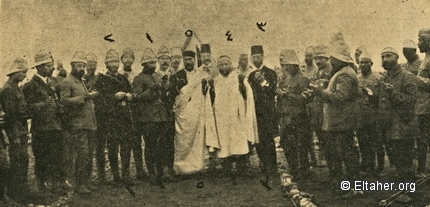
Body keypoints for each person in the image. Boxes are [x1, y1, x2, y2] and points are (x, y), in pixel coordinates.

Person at [310, 32, 361, 198]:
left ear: (340, 59)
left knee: (347, 153)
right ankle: (349, 186)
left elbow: (340, 97)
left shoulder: (345, 74)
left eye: (332, 58)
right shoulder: (342, 72)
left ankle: (354, 188)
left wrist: (320, 92)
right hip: (340, 121)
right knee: (345, 153)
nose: (330, 61)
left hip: (342, 121)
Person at [23, 50, 71, 194]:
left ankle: (56, 184)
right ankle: (42, 186)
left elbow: (55, 102)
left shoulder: (52, 82)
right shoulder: (29, 85)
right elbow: (27, 109)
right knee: (42, 159)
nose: (51, 68)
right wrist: (44, 104)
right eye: (47, 66)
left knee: (56, 157)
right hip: (41, 129)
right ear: (39, 67)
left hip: (55, 126)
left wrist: (59, 108)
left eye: (50, 65)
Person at [168, 47, 219, 175]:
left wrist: (206, 88)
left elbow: (206, 95)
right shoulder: (176, 76)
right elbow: (173, 97)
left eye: (190, 59)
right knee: (182, 141)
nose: (188, 62)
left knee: (198, 141)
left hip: (197, 114)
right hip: (183, 116)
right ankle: (182, 168)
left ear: (195, 60)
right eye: (185, 60)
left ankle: (197, 166)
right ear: (183, 61)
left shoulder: (200, 76)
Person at [378, 47, 417, 202]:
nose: (385, 59)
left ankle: (408, 193)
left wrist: (393, 93)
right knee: (394, 160)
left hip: (403, 126)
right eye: (382, 57)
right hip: (389, 126)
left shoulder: (407, 77)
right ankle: (400, 191)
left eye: (388, 56)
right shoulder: (384, 78)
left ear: (397, 57)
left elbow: (411, 101)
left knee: (405, 161)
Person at [93, 49, 136, 185]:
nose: (114, 64)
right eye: (111, 62)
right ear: (106, 64)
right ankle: (116, 176)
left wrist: (129, 96)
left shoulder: (123, 78)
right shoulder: (101, 80)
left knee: (126, 147)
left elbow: (132, 92)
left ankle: (126, 175)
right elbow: (98, 99)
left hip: (124, 118)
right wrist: (113, 97)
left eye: (116, 61)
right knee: (113, 148)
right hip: (110, 119)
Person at [60, 51, 98, 195]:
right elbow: (64, 101)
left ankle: (86, 182)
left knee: (88, 155)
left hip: (89, 124)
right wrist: (85, 97)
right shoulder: (67, 82)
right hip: (78, 125)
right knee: (82, 154)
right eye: (79, 65)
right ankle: (79, 184)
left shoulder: (81, 81)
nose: (82, 68)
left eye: (83, 65)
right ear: (72, 66)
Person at [212, 55, 258, 177]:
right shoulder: (216, 81)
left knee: (239, 142)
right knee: (225, 143)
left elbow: (247, 96)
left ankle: (242, 168)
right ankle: (226, 168)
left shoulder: (238, 78)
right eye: (221, 65)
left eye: (226, 64)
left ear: (230, 64)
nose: (224, 67)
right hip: (222, 118)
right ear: (218, 67)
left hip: (237, 117)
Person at [1, 58, 36, 204]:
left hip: (21, 130)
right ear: (15, 72)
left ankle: (23, 191)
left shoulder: (16, 87)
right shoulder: (8, 89)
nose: (24, 75)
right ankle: (15, 193)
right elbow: (11, 116)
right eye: (23, 72)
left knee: (23, 161)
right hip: (15, 132)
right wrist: (14, 136)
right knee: (17, 162)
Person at [132, 48, 169, 183]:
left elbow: (163, 95)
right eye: (151, 63)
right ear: (144, 65)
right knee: (150, 146)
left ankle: (161, 173)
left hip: (161, 116)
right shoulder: (138, 79)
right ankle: (152, 173)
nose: (154, 66)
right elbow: (136, 97)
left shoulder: (158, 77)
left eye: (154, 63)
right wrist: (150, 91)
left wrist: (165, 86)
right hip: (148, 118)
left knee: (161, 146)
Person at [277, 49, 312, 180]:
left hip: (299, 118)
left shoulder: (303, 79)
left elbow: (305, 99)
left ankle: (303, 170)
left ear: (293, 65)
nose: (285, 68)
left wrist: (287, 95)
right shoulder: (287, 78)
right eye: (284, 65)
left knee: (300, 145)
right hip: (287, 118)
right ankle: (294, 169)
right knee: (286, 144)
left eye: (287, 65)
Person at [248, 45, 278, 177]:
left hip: (267, 111)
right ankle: (263, 164)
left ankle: (273, 166)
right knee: (258, 139)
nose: (256, 59)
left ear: (263, 57)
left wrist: (263, 81)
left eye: (258, 57)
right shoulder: (250, 75)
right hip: (255, 112)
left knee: (269, 140)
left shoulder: (271, 73)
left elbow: (272, 91)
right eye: (253, 57)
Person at [355, 50, 385, 177]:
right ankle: (368, 166)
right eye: (361, 62)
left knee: (377, 142)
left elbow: (382, 97)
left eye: (366, 62)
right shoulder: (356, 78)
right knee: (363, 142)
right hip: (361, 116)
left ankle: (381, 167)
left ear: (371, 63)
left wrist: (371, 94)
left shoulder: (378, 78)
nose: (363, 65)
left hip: (375, 115)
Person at [156, 46, 177, 181]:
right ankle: (161, 170)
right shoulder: (155, 75)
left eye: (167, 59)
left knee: (171, 142)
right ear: (158, 60)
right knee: (161, 142)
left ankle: (171, 168)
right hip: (159, 114)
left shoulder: (174, 75)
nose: (165, 61)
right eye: (162, 59)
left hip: (172, 114)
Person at [310, 45, 332, 169]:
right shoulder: (317, 71)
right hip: (317, 108)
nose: (318, 61)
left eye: (321, 58)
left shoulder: (330, 70)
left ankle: (333, 170)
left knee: (328, 140)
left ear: (327, 58)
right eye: (316, 58)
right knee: (321, 138)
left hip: (326, 108)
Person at [415, 28, 430, 177]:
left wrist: (416, 79)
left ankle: (422, 170)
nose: (418, 43)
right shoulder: (425, 59)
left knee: (425, 138)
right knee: (421, 138)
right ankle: (421, 169)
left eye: (421, 40)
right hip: (421, 106)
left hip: (427, 107)